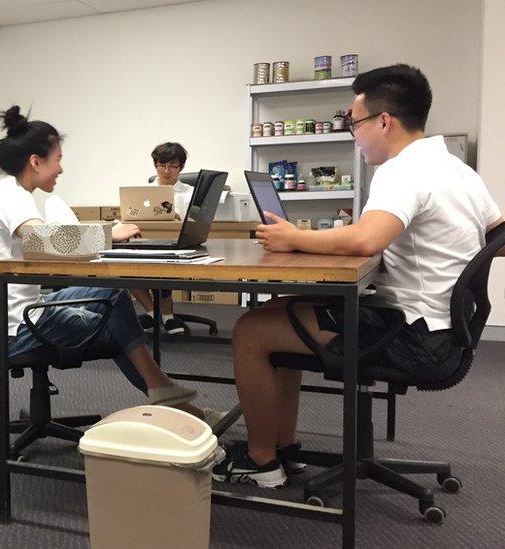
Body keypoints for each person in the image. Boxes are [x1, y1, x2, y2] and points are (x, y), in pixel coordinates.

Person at [211, 64, 503, 488]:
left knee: (252, 330)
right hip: (444, 330)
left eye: (355, 122)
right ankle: (284, 449)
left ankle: (260, 462)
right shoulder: (457, 170)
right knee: (282, 312)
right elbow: (499, 233)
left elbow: (367, 239)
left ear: (384, 121)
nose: (354, 132)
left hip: (414, 336)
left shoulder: (402, 170)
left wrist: (295, 237)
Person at [0, 106, 223, 422]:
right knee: (116, 327)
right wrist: (109, 235)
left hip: (13, 315)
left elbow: (43, 242)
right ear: (36, 162)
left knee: (113, 295)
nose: (61, 169)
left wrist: (103, 237)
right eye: (58, 159)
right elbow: (44, 242)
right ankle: (175, 403)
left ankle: (166, 394)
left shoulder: (5, 193)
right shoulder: (13, 198)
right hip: (16, 329)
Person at [132, 142, 189, 334]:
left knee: (162, 267)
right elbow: (131, 216)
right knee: (123, 267)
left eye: (172, 165)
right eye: (161, 165)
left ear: (180, 167)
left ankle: (165, 315)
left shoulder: (189, 193)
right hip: (146, 242)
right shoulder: (141, 191)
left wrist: (177, 218)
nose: (166, 170)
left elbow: (196, 223)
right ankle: (156, 314)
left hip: (178, 246)